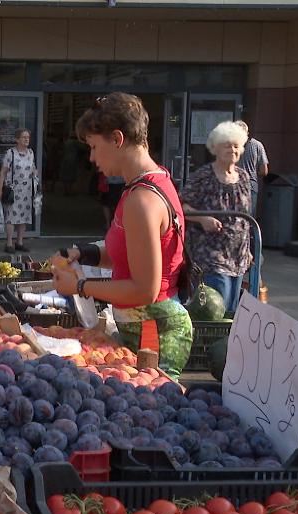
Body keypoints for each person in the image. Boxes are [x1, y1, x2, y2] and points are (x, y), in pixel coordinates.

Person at [52, 92, 192, 379]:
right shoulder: (144, 186)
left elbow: (144, 289)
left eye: (93, 147)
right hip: (142, 328)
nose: (91, 158)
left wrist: (80, 286)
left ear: (117, 139)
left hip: (154, 334)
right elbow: (129, 255)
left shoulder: (142, 200)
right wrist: (86, 253)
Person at [180, 121, 252, 314]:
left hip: (238, 256)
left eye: (236, 145)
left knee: (231, 311)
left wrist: (249, 250)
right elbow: (181, 206)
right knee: (215, 308)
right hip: (210, 254)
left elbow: (246, 218)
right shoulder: (203, 175)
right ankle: (211, 343)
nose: (232, 149)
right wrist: (203, 219)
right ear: (215, 148)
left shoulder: (244, 177)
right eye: (227, 145)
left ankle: (225, 344)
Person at [0, 128, 38, 254]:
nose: (26, 139)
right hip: (13, 190)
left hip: (27, 190)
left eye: (28, 137)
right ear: (17, 139)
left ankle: (19, 242)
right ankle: (9, 243)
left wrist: (35, 174)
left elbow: (33, 168)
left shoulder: (31, 153)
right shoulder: (11, 153)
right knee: (11, 217)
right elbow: (3, 173)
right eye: (24, 137)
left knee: (24, 217)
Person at [235, 121, 268, 216]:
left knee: (234, 216)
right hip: (251, 186)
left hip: (234, 185)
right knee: (249, 218)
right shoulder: (258, 145)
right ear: (247, 133)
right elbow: (264, 171)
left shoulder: (231, 146)